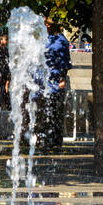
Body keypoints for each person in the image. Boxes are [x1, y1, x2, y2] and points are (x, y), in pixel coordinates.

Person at [42, 18, 72, 150]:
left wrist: (62, 79)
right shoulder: (45, 38)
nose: (46, 25)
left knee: (55, 112)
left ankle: (55, 141)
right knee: (44, 112)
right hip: (43, 82)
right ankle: (46, 140)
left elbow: (65, 62)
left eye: (49, 24)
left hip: (55, 82)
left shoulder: (61, 41)